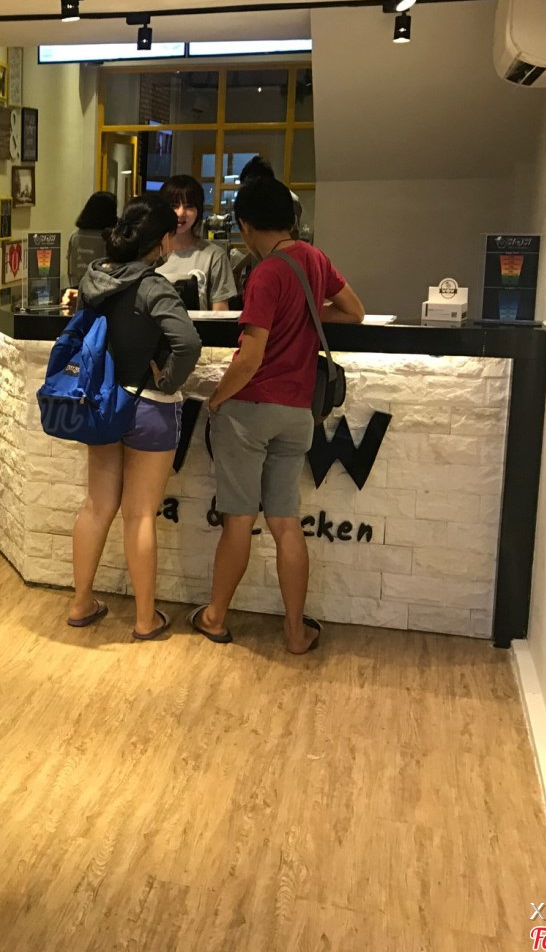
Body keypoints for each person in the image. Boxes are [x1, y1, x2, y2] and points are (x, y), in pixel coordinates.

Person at [194, 178, 364, 654]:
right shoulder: (315, 259)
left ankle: (214, 617)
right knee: (286, 522)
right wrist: (307, 314)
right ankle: (294, 631)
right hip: (297, 412)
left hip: (251, 410)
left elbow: (250, 358)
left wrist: (217, 399)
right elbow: (354, 311)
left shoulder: (266, 272)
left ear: (245, 224)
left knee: (238, 520)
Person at [66, 195, 202, 640]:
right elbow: (188, 343)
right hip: (149, 406)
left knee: (96, 505)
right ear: (161, 241)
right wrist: (168, 381)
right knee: (140, 515)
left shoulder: (94, 278)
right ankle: (145, 620)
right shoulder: (153, 287)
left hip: (103, 404)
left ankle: (81, 604)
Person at [156, 174, 237, 311]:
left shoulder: (214, 256)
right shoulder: (149, 252)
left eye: (189, 206)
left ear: (199, 211)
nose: (180, 213)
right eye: (174, 206)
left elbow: (220, 313)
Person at [67, 191, 116, 288]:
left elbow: (71, 266)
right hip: (100, 290)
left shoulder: (75, 236)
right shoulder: (108, 238)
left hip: (77, 287)